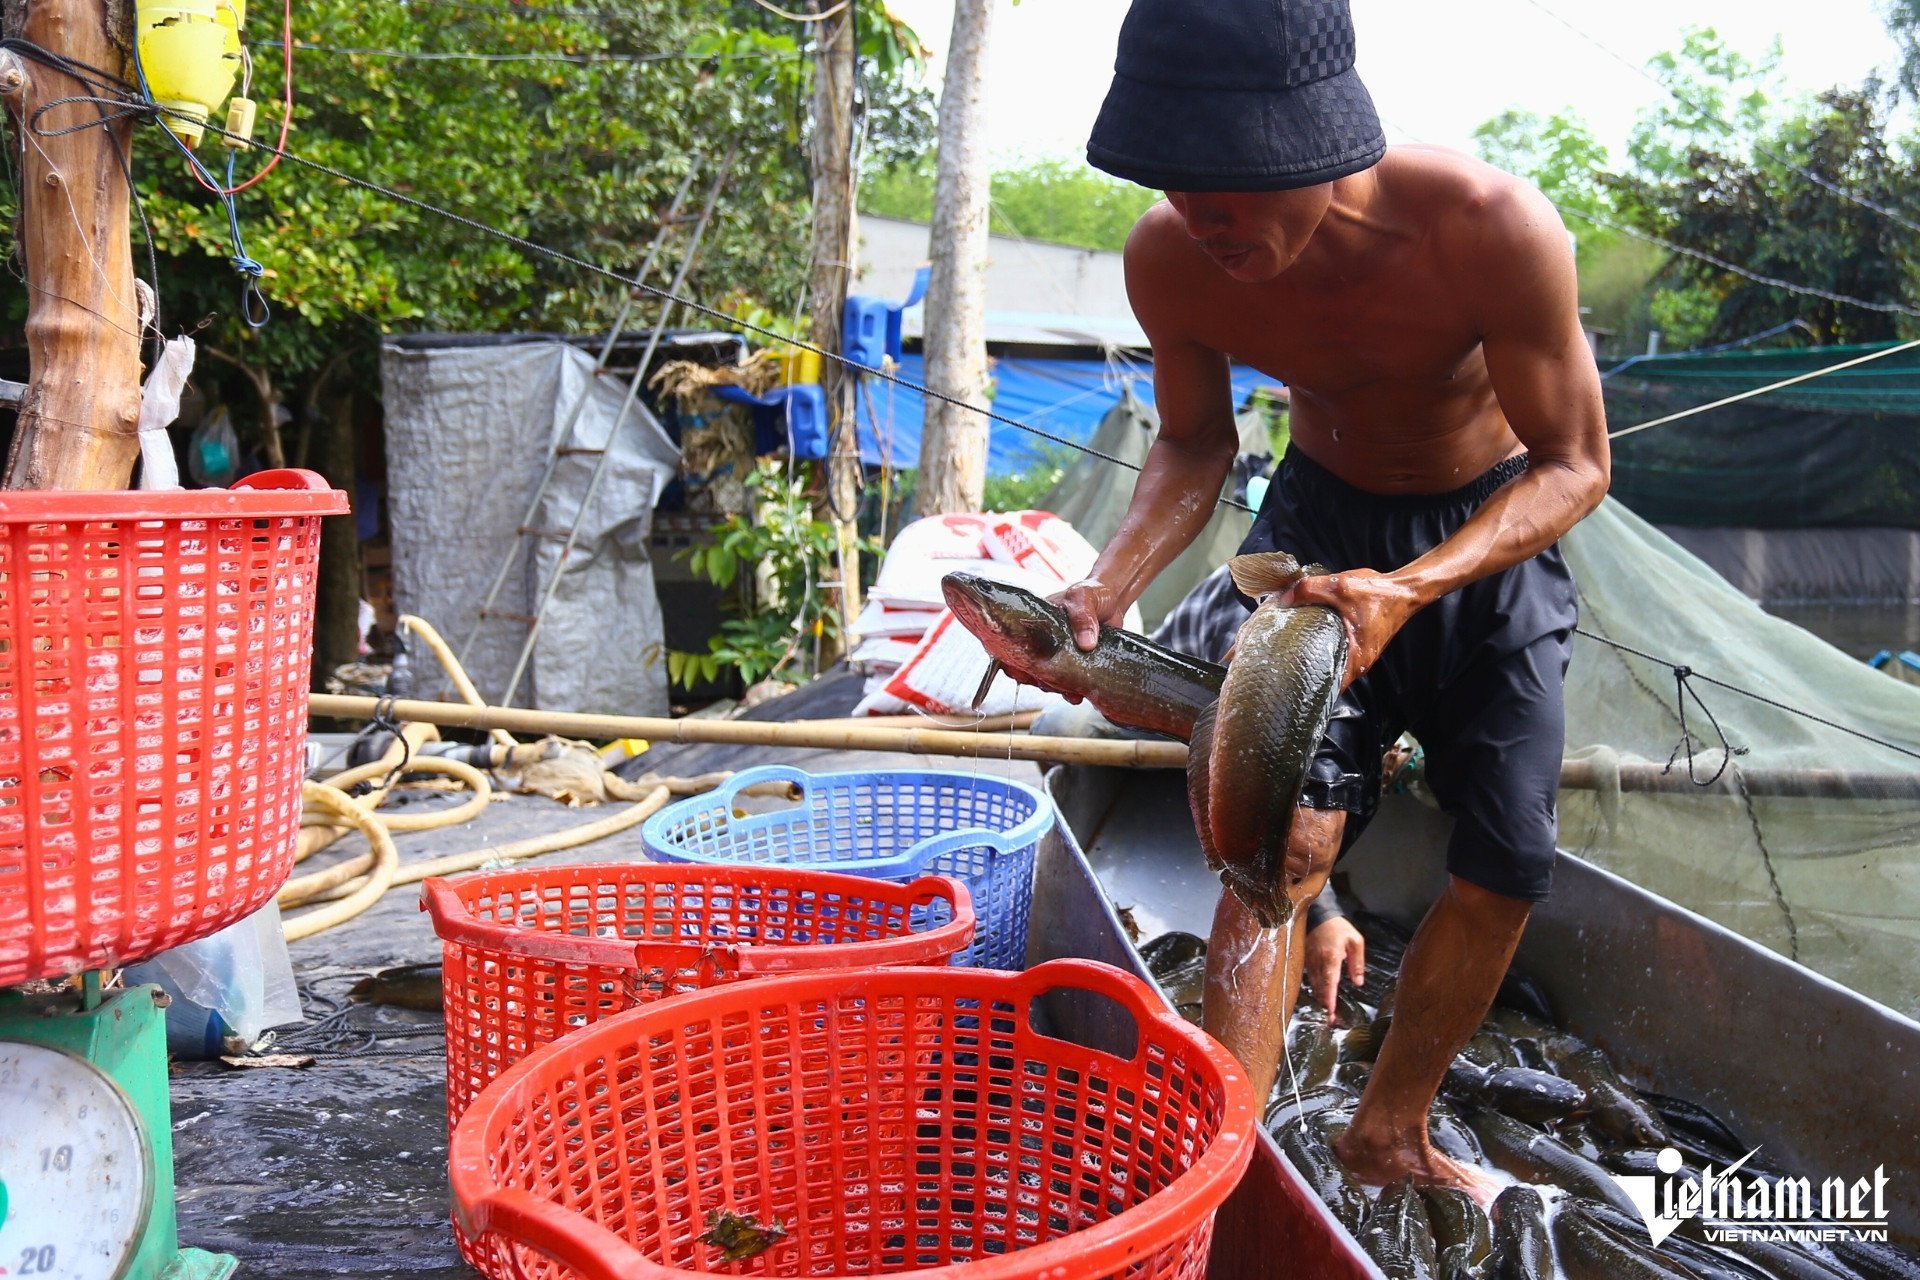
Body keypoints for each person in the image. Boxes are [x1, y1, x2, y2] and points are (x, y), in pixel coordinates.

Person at [1059, 0, 1610, 1197]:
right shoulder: (1172, 255)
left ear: (1314, 144)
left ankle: (1389, 1128)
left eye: (1230, 184)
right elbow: (1196, 444)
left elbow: (1576, 464)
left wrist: (1414, 586)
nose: (1201, 217)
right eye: (1175, 181)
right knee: (1277, 842)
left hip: (1483, 535)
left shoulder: (1489, 228)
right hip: (1317, 523)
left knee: (1509, 858)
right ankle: (1224, 1159)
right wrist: (1108, 582)